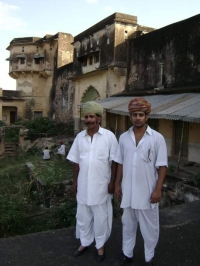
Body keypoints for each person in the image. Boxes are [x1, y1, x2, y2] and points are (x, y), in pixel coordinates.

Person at [113, 98, 168, 266]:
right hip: (128, 192)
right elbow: (120, 162)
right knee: (128, 226)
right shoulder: (123, 138)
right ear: (130, 116)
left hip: (147, 193)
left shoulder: (157, 138)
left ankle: (148, 258)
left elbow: (162, 166)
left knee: (150, 229)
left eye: (141, 114)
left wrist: (158, 189)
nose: (138, 118)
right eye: (134, 114)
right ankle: (127, 255)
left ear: (147, 116)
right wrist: (116, 184)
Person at [67, 101, 118, 262]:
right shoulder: (79, 137)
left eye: (91, 116)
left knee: (101, 218)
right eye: (86, 117)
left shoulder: (109, 136)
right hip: (83, 185)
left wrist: (113, 181)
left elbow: (115, 161)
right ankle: (85, 242)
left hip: (101, 185)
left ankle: (100, 246)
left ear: (99, 118)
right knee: (82, 216)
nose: (88, 120)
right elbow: (76, 161)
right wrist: (74, 181)